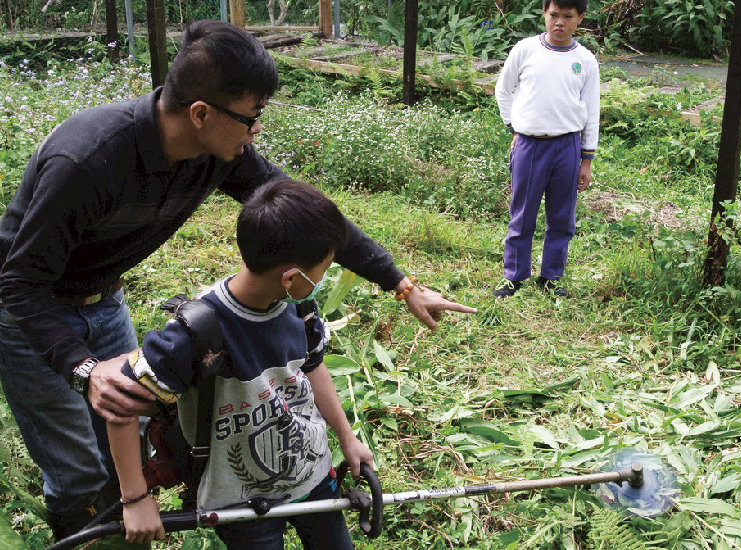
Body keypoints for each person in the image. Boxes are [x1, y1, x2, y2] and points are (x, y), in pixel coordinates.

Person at [0, 19, 475, 540]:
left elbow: (313, 220)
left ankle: (122, 520)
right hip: (27, 311)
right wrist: (83, 368)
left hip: (104, 297)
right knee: (77, 470)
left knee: (130, 440)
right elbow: (19, 281)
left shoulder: (217, 153)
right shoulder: (87, 160)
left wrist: (400, 284)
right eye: (252, 118)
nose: (256, 132)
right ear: (200, 113)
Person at [108, 178, 373, 549]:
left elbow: (313, 368)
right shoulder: (194, 333)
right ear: (291, 278)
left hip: (311, 475)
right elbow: (119, 407)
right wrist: (134, 499)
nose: (322, 280)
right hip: (240, 501)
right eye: (323, 270)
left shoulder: (299, 308)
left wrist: (347, 438)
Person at [492, 0, 600, 299]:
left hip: (568, 146)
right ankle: (514, 276)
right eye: (554, 15)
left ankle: (551, 277)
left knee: (562, 216)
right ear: (544, 13)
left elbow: (592, 110)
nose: (559, 23)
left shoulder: (585, 60)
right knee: (522, 213)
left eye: (568, 16)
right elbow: (503, 89)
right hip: (529, 144)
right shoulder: (526, 50)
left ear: (580, 18)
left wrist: (586, 159)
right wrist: (513, 127)